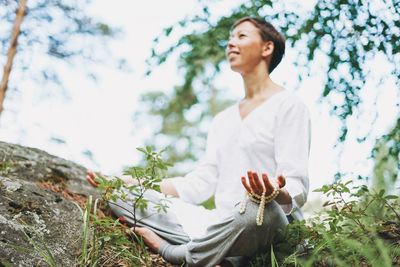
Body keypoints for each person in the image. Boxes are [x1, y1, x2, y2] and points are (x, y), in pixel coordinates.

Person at [87, 16, 311, 267]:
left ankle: (174, 251)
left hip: (262, 221)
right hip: (221, 224)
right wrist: (136, 182)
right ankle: (224, 256)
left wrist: (276, 192)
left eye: (241, 36)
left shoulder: (290, 105)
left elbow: (297, 183)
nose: (230, 44)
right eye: (229, 39)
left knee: (258, 212)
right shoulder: (223, 120)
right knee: (122, 196)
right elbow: (201, 183)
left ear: (267, 48)